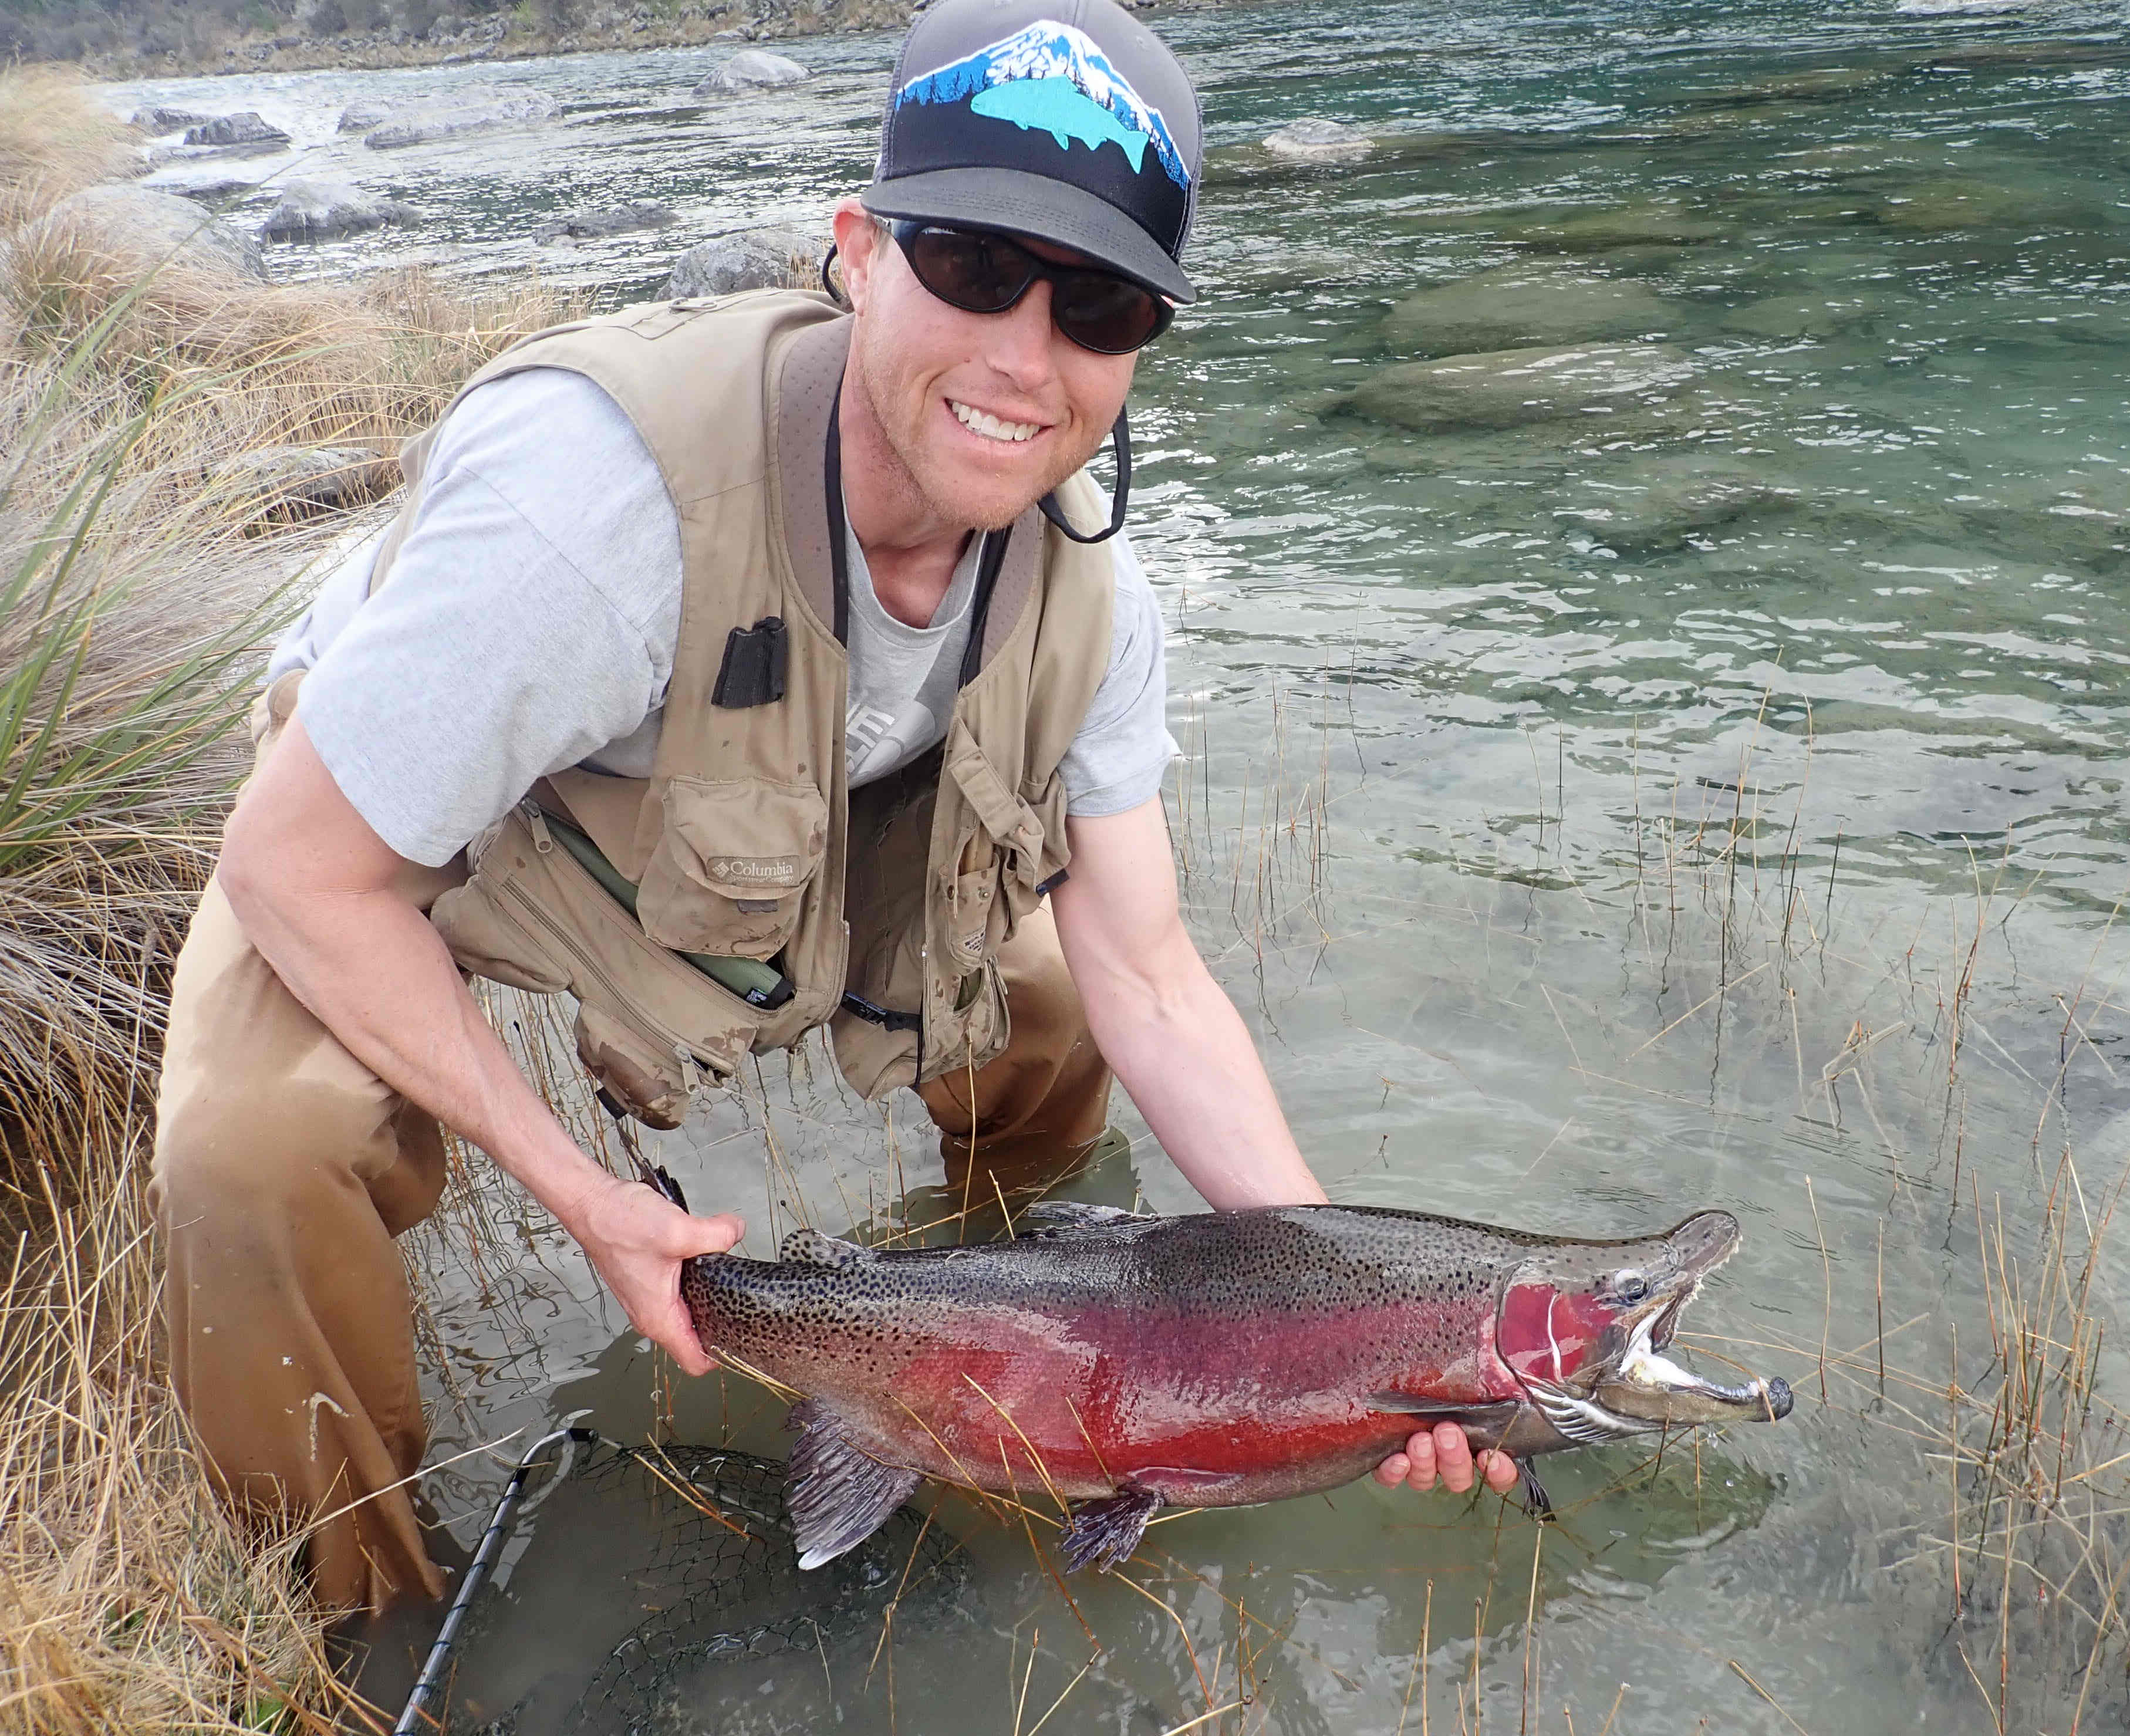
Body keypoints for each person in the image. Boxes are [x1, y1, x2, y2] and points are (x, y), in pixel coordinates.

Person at [149, 0, 1514, 1612]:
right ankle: (355, 1611)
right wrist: (587, 1202)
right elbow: (302, 870)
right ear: (860, 248)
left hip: (784, 798)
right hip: (421, 805)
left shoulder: (1096, 591)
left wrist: (1345, 1314)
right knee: (252, 1152)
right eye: (976, 266)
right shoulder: (594, 509)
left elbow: (1152, 974)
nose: (1026, 353)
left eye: (1098, 302)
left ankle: (994, 1360)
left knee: (1063, 993)